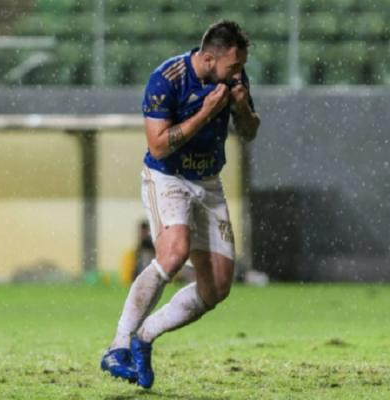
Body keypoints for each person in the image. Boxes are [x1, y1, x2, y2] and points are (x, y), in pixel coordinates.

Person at [100, 20, 260, 389]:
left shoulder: (234, 81)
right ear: (208, 58)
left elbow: (249, 133)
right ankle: (118, 346)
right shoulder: (166, 79)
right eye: (233, 67)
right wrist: (205, 112)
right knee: (173, 254)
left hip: (208, 182)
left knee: (217, 287)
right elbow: (158, 145)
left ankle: (144, 337)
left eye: (240, 67)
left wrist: (241, 110)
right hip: (167, 177)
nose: (238, 74)